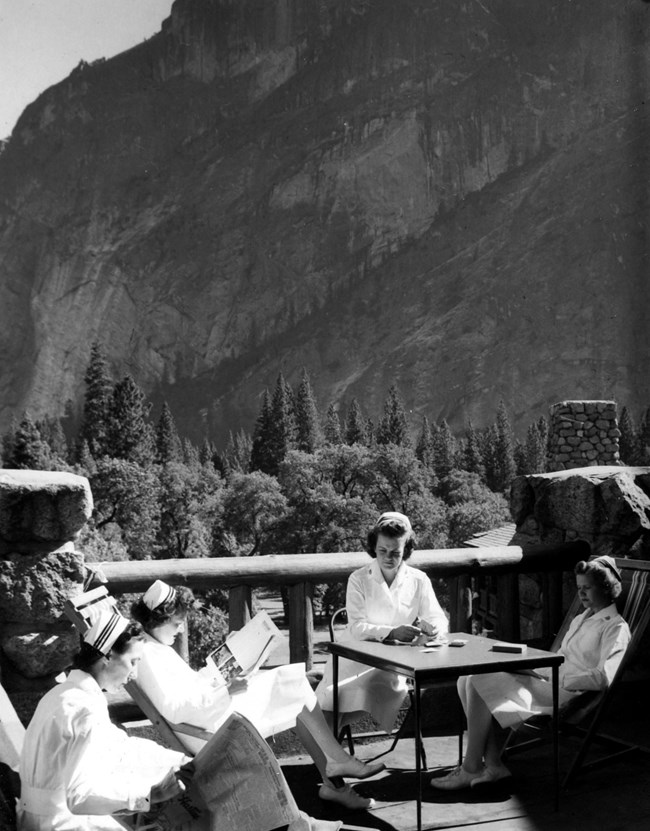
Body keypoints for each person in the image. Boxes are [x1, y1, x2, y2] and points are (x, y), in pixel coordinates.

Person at [131, 580, 385, 811]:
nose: (182, 629)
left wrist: (222, 664)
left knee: (296, 687)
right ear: (158, 620)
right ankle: (336, 769)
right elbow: (177, 709)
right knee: (294, 684)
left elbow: (189, 690)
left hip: (211, 714)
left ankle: (335, 775)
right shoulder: (148, 656)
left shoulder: (154, 647)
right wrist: (227, 692)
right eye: (177, 623)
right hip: (209, 729)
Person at [431, 555, 632, 790]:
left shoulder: (616, 628)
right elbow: (564, 658)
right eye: (579, 588)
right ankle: (494, 766)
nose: (582, 594)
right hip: (549, 681)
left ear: (607, 588)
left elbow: (603, 678)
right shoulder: (581, 618)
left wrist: (557, 677)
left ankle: (471, 767)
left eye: (588, 588)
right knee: (465, 677)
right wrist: (533, 670)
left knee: (477, 679)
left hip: (567, 693)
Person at [18, 610, 188, 831]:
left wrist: (177, 759)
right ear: (107, 657)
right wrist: (147, 795)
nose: (134, 674)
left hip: (43, 817)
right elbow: (80, 796)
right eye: (133, 662)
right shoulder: (83, 708)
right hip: (57, 824)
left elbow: (119, 746)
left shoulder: (66, 693)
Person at [316, 511, 449, 733]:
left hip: (394, 663)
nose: (388, 557)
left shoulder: (418, 580)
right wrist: (392, 632)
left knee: (340, 702)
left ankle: (334, 758)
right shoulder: (359, 578)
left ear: (406, 550)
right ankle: (334, 758)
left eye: (395, 552)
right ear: (373, 548)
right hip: (354, 657)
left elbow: (437, 617)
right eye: (382, 551)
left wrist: (434, 628)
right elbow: (356, 627)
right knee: (331, 699)